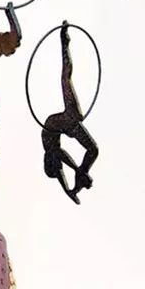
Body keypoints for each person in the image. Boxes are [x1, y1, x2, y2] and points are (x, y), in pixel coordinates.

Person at [41, 23, 98, 204]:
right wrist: (75, 181)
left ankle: (64, 43)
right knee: (93, 150)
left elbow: (61, 159)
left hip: (60, 123)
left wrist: (77, 173)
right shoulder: (53, 151)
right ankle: (81, 179)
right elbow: (62, 169)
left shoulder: (51, 149)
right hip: (66, 123)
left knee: (66, 78)